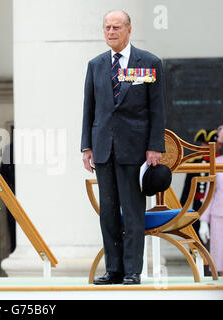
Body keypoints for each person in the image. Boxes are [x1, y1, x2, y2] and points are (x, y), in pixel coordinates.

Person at [81, 11, 166, 285]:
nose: (111, 32)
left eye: (117, 27)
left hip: (135, 149)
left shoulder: (149, 63)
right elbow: (89, 109)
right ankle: (113, 269)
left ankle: (132, 270)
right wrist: (86, 147)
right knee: (108, 212)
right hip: (104, 148)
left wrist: (155, 145)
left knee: (132, 211)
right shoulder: (95, 65)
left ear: (129, 30)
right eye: (107, 27)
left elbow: (157, 108)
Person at [199, 126, 223, 276]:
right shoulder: (217, 162)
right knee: (219, 262)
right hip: (218, 216)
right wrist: (203, 221)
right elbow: (210, 193)